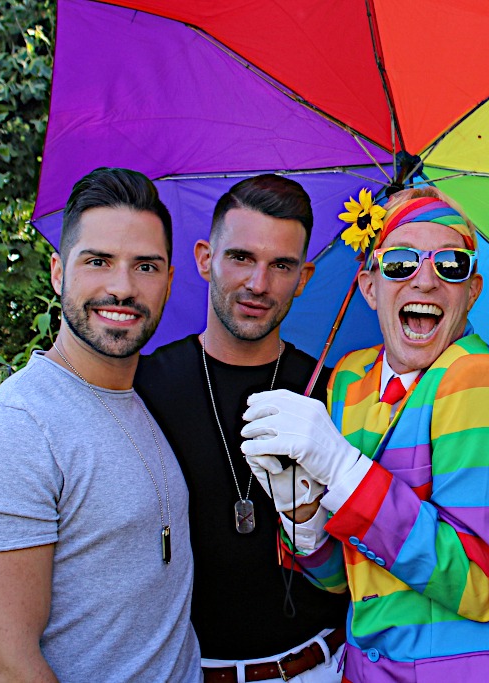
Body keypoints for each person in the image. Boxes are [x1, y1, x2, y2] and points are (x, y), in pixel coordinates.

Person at [241, 187, 489, 682]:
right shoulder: (349, 381)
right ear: (369, 287)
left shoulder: (479, 377)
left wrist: (344, 470)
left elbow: (480, 582)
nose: (426, 281)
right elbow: (343, 583)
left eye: (451, 265)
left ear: (472, 290)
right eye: (400, 263)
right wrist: (301, 514)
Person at [0, 167, 201, 682]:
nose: (122, 287)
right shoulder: (12, 432)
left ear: (169, 281)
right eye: (98, 261)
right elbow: (4, 666)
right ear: (59, 273)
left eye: (145, 266)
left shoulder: (132, 396)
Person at [134, 174, 349, 683]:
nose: (259, 284)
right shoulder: (144, 386)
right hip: (191, 670)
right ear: (205, 257)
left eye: (281, 266)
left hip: (322, 663)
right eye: (241, 258)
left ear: (305, 277)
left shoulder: (333, 391)